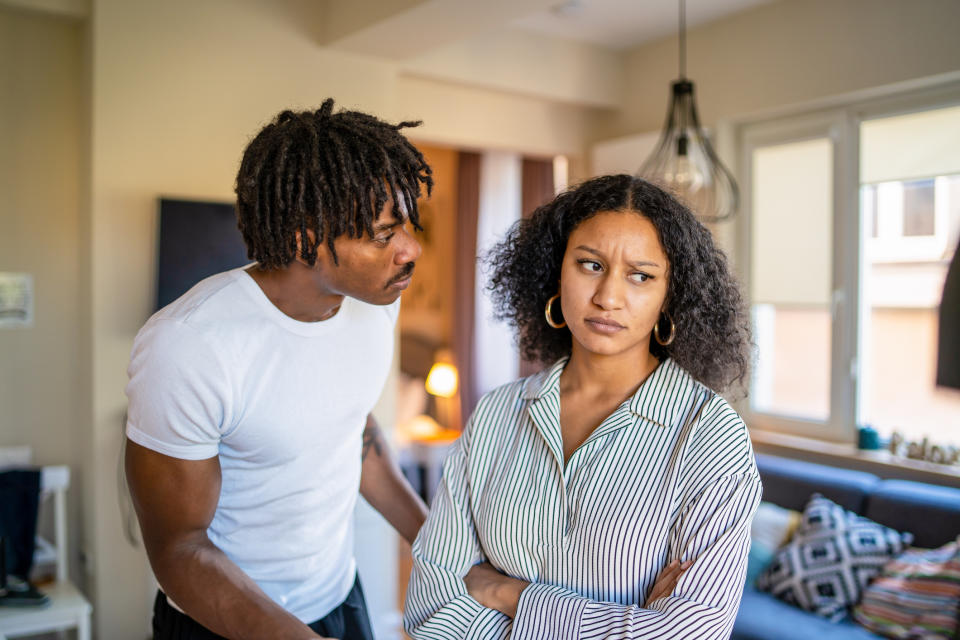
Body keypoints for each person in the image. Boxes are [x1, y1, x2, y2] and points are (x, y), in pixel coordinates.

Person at [125, 99, 433, 640]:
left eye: (409, 222)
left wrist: (441, 547)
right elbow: (179, 547)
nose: (411, 249)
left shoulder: (377, 303)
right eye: (383, 234)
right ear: (302, 237)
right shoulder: (189, 344)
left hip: (341, 599)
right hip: (221, 620)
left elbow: (353, 431)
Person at [404, 174, 761, 639]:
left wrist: (509, 595)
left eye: (641, 276)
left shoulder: (710, 437)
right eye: (590, 265)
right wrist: (625, 622)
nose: (608, 297)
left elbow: (687, 633)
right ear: (556, 270)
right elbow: (428, 606)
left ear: (669, 298)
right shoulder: (496, 414)